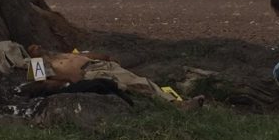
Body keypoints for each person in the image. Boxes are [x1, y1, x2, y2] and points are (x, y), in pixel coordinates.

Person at [25, 45, 205, 110]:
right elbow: (40, 84)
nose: (37, 47)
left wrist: (105, 58)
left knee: (141, 80)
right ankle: (173, 106)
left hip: (102, 66)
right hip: (92, 74)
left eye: (38, 45)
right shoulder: (38, 63)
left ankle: (175, 102)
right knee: (131, 86)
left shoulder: (65, 53)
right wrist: (67, 81)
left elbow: (97, 55)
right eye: (33, 48)